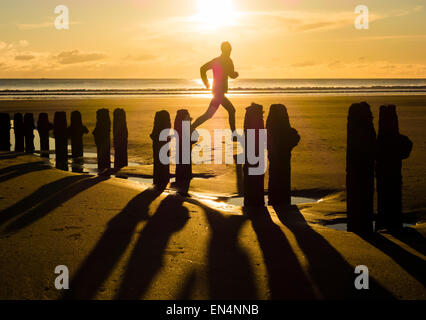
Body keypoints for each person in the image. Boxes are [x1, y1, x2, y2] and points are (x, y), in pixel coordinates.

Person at [192, 41, 239, 132]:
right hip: (219, 93)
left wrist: (206, 83)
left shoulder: (217, 60)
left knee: (209, 114)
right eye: (228, 50)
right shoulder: (228, 61)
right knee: (231, 110)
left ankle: (191, 127)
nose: (229, 52)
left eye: (230, 50)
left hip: (217, 91)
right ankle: (234, 134)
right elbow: (232, 75)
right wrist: (236, 74)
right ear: (225, 50)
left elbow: (203, 69)